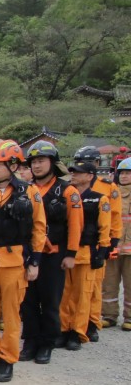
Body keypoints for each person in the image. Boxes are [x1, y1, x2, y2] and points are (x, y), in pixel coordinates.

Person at [0, 141, 47, 382]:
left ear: (13, 165)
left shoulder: (29, 192)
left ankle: (7, 359)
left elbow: (38, 228)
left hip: (14, 262)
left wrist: (34, 261)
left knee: (12, 316)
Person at [20, 141, 83, 363]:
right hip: (28, 254)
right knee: (27, 301)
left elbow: (75, 225)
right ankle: (30, 341)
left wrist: (71, 254)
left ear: (52, 163)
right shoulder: (24, 189)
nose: (36, 166)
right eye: (33, 162)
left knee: (50, 300)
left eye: (41, 161)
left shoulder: (68, 190)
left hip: (54, 254)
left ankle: (47, 343)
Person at [58, 157, 111, 351]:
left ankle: (78, 332)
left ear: (89, 176)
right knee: (64, 294)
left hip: (87, 253)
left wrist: (102, 252)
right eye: (72, 172)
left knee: (83, 295)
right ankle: (64, 329)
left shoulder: (99, 198)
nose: (74, 175)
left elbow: (105, 228)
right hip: (67, 252)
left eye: (78, 172)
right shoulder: (66, 195)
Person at [81, 147, 123, 339]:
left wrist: (111, 244)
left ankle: (92, 322)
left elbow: (115, 217)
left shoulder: (108, 187)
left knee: (95, 287)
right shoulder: (73, 187)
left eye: (90, 162)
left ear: (97, 164)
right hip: (78, 244)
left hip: (99, 243)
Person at [102, 157, 131, 330]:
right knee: (109, 283)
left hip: (130, 249)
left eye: (128, 173)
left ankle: (129, 317)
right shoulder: (112, 193)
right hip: (113, 246)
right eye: (122, 173)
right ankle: (109, 315)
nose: (125, 176)